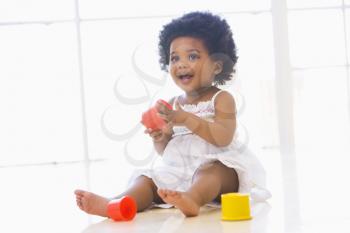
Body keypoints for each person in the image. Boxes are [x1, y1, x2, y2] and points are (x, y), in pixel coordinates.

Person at [75, 11, 270, 218]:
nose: (181, 63)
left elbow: (223, 138)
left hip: (221, 170)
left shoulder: (221, 99)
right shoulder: (172, 104)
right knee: (147, 180)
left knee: (211, 171)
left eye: (192, 56)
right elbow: (166, 151)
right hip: (180, 172)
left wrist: (186, 118)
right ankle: (119, 203)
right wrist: (160, 136)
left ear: (216, 65)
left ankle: (193, 199)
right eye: (174, 57)